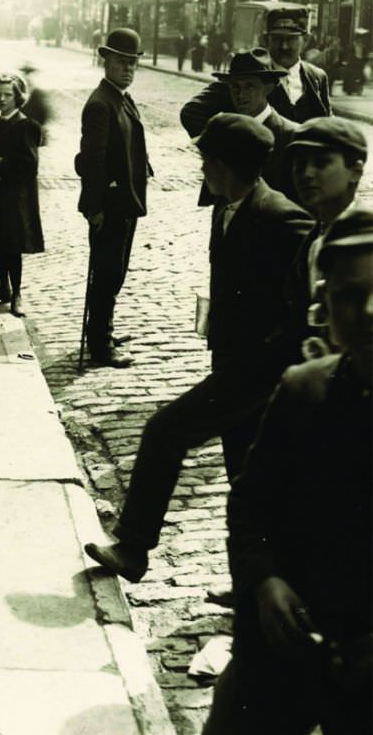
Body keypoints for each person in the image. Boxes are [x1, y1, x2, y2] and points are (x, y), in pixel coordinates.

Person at [84, 113, 313, 583]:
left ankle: (134, 546)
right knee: (248, 481)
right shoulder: (226, 207)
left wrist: (272, 352)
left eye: (206, 158)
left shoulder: (280, 216)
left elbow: (308, 295)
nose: (201, 167)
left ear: (225, 164)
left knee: (164, 433)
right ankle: (258, 582)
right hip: (231, 362)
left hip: (256, 373)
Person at [201, 205, 373, 735]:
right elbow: (251, 504)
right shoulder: (304, 390)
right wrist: (265, 580)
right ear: (326, 307)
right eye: (347, 294)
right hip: (286, 643)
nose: (367, 310)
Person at [75, 28, 152, 368]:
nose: (128, 69)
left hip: (125, 202)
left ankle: (102, 328)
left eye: (132, 63)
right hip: (109, 205)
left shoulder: (120, 96)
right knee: (106, 274)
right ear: (105, 61)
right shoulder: (100, 104)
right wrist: (94, 207)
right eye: (121, 62)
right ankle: (101, 345)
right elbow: (91, 161)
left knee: (115, 272)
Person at [283, 117, 367, 357]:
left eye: (322, 163)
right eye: (300, 165)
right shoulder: (314, 237)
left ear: (355, 171)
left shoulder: (365, 241)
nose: (307, 174)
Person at [181, 6, 331, 137]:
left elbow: (327, 122)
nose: (284, 46)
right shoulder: (249, 74)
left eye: (291, 39)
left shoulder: (316, 77)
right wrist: (223, 149)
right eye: (277, 39)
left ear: (306, 40)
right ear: (266, 41)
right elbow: (192, 113)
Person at [0, 72, 44, 316]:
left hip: (17, 196)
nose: (2, 100)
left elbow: (30, 164)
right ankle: (3, 287)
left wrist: (1, 162)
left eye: (8, 95)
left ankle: (17, 292)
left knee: (13, 244)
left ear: (17, 97)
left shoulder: (26, 126)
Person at [209, 48, 301, 205]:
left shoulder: (291, 135)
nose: (240, 94)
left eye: (249, 86)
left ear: (268, 88)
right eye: (235, 86)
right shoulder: (225, 133)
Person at [18, 62, 52, 145]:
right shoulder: (22, 89)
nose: (26, 76)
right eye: (25, 73)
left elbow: (43, 113)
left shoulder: (36, 93)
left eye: (27, 73)